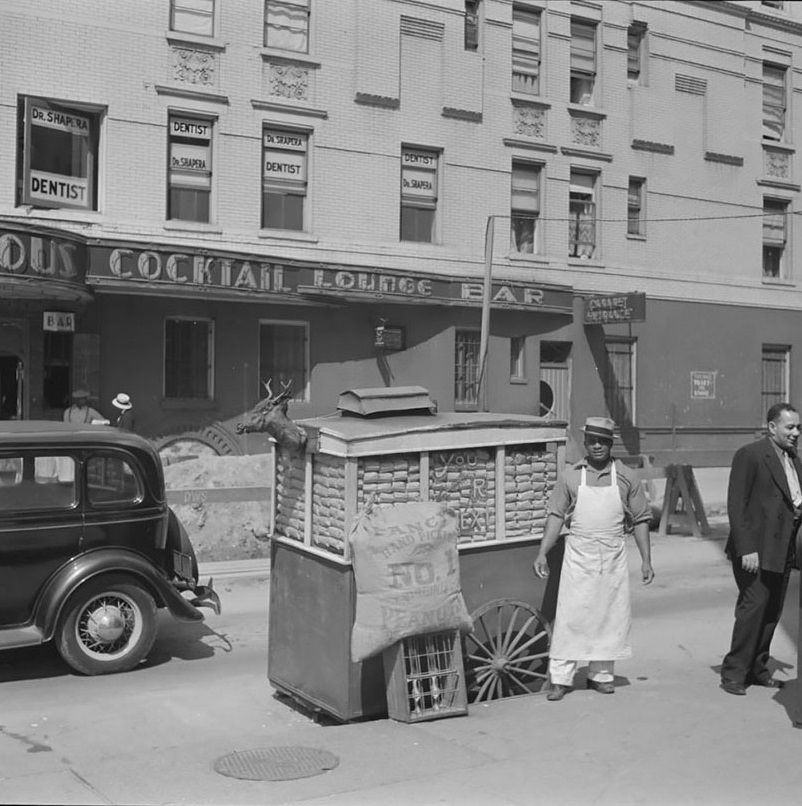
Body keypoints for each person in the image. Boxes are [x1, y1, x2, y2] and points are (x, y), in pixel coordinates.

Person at [533, 416, 654, 701]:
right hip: (579, 555)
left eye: (603, 441)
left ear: (610, 443)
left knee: (609, 614)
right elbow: (555, 516)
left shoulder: (626, 476)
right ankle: (561, 679)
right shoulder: (572, 476)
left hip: (612, 555)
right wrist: (542, 551)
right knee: (571, 616)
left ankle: (601, 676)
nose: (597, 446)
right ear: (585, 443)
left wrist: (647, 559)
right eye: (592, 441)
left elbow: (641, 519)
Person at [720, 402, 801, 695]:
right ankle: (733, 673)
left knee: (772, 611)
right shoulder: (750, 455)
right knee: (753, 609)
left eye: (798, 428)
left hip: (782, 550)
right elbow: (736, 505)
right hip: (755, 551)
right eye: (789, 427)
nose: (795, 433)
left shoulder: (792, 459)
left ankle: (757, 668)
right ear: (771, 427)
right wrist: (747, 548)